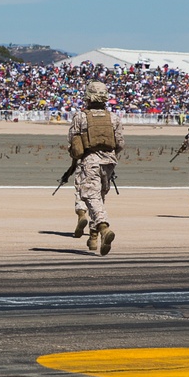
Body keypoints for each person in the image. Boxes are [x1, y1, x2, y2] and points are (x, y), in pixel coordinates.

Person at [67, 81, 125, 256]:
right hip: (109, 161)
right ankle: (93, 237)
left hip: (90, 160)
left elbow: (72, 141)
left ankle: (103, 227)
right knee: (99, 197)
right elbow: (120, 143)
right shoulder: (113, 118)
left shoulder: (81, 117)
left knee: (90, 196)